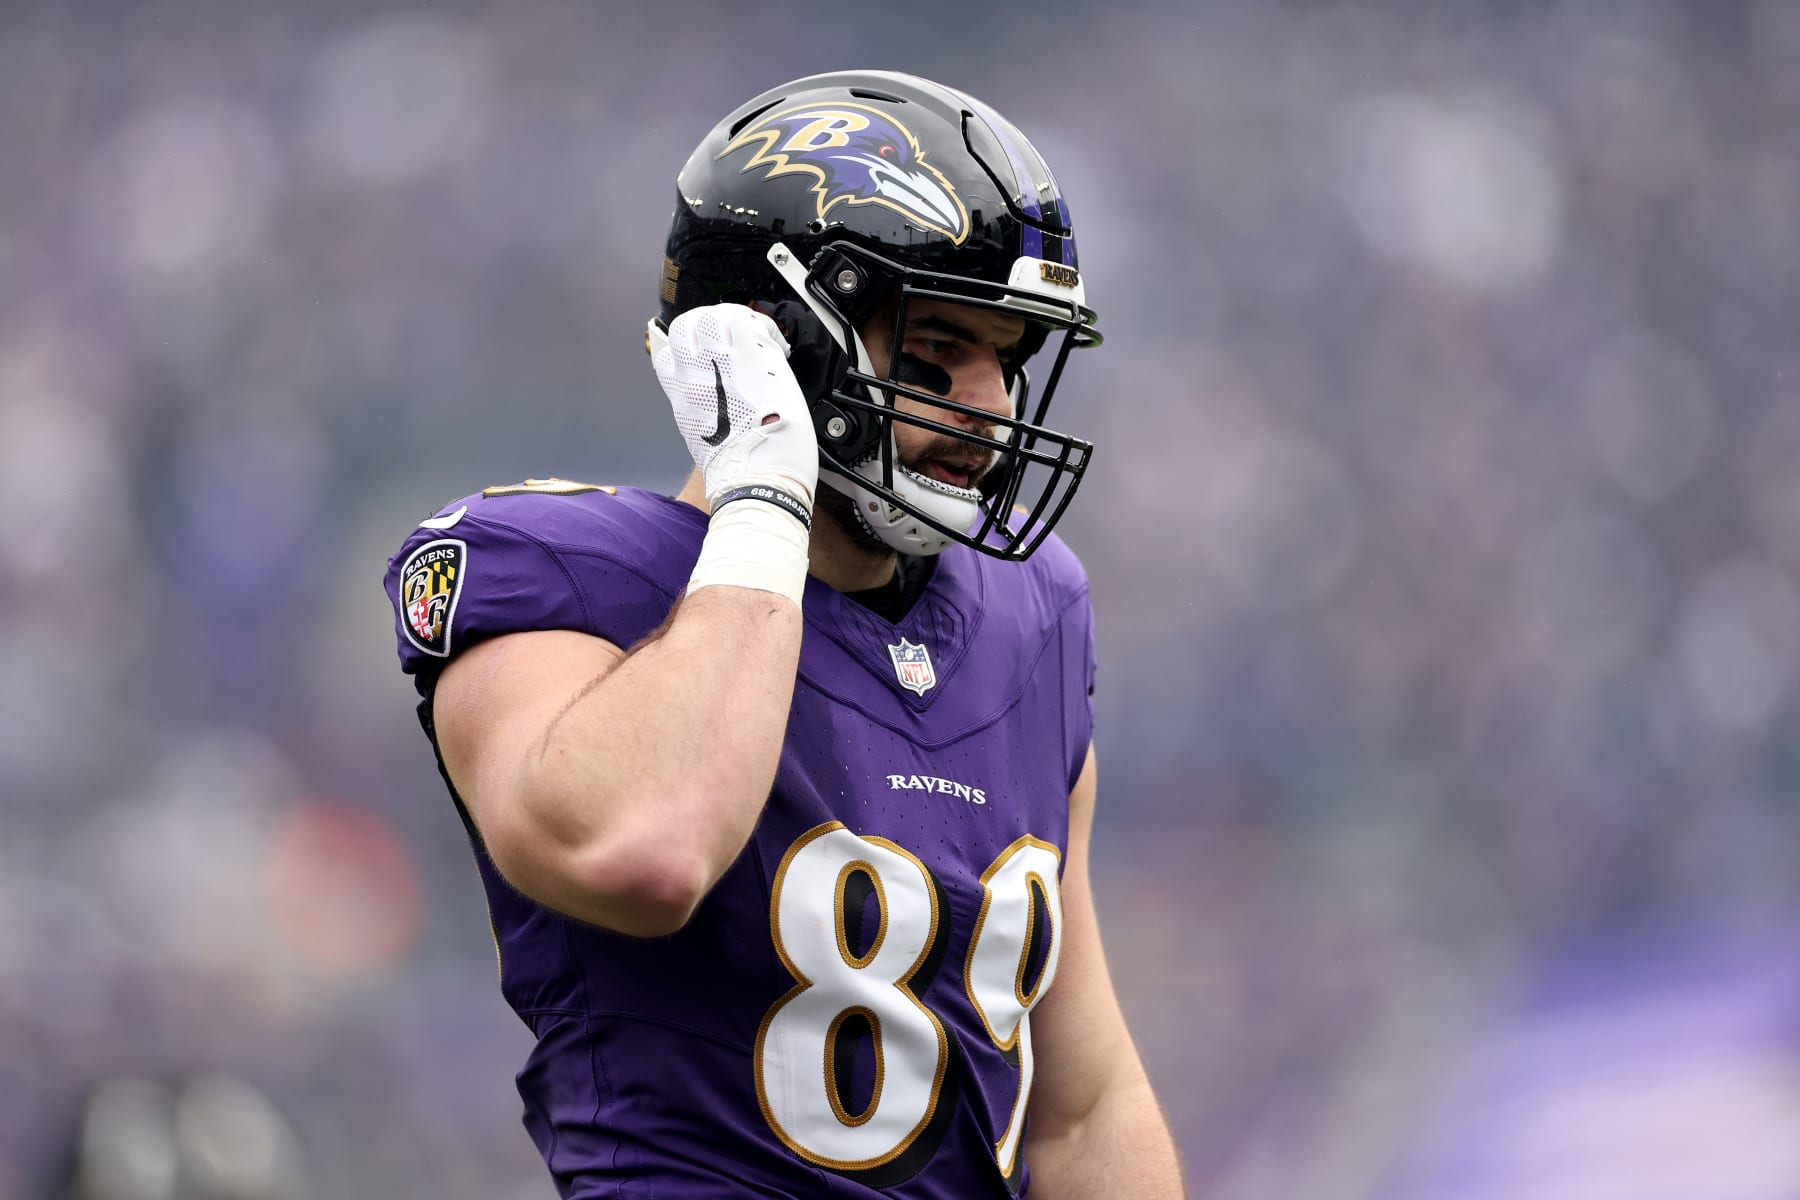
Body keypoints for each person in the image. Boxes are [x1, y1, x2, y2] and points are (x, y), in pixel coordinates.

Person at [384, 69, 1184, 1198]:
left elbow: (1083, 1105)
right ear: (771, 341)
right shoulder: (560, 574)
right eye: (937, 348)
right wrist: (763, 495)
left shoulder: (1031, 617)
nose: (993, 409)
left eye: (1008, 359)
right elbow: (647, 848)